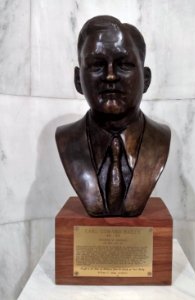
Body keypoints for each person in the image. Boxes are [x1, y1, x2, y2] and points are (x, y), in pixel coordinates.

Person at [56, 15, 171, 217]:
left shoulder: (159, 141)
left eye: (124, 64)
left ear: (146, 79)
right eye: (97, 65)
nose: (110, 76)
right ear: (78, 80)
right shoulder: (67, 141)